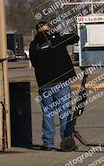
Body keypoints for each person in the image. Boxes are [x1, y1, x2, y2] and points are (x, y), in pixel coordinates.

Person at [29, 21, 79, 151]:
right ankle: (66, 142)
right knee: (64, 112)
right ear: (49, 28)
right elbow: (75, 38)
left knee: (48, 113)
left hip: (44, 84)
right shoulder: (56, 38)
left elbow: (34, 63)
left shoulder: (34, 45)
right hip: (61, 82)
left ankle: (48, 143)